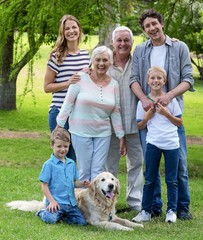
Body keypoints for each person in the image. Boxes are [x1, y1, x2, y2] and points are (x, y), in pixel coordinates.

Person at [129, 9, 195, 220]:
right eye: (147, 26)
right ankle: (153, 206)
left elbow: (188, 79)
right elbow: (133, 79)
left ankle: (181, 207)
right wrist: (144, 100)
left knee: (180, 165)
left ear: (162, 24)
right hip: (148, 115)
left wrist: (169, 96)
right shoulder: (140, 50)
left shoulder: (179, 47)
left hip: (170, 116)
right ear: (144, 30)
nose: (151, 28)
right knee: (152, 168)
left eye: (154, 24)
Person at [56, 46, 126, 182]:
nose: (101, 63)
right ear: (92, 61)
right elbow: (68, 103)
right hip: (80, 131)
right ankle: (82, 201)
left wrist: (120, 135)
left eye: (105, 60)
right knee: (83, 170)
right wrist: (59, 126)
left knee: (98, 170)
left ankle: (96, 203)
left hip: (103, 133)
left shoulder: (114, 85)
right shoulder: (80, 78)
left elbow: (116, 111)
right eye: (98, 60)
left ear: (110, 62)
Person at [132, 66, 182, 223]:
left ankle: (171, 211)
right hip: (153, 143)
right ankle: (146, 211)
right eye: (152, 78)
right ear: (148, 81)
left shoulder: (171, 101)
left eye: (159, 78)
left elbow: (179, 123)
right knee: (150, 179)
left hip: (171, 144)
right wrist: (147, 116)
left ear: (164, 81)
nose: (156, 81)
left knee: (171, 180)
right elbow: (140, 126)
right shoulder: (143, 103)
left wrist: (166, 113)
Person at [105, 26, 144, 212]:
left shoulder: (139, 62)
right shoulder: (105, 62)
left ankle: (135, 203)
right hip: (109, 125)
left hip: (134, 123)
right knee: (109, 166)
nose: (123, 44)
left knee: (136, 163)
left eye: (126, 40)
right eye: (119, 40)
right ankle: (107, 204)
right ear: (113, 42)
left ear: (132, 42)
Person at [44, 14, 90, 161]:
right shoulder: (57, 56)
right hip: (59, 112)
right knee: (63, 156)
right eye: (67, 29)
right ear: (62, 33)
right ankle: (57, 184)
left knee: (76, 157)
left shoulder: (86, 56)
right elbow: (47, 87)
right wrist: (68, 82)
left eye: (74, 27)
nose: (71, 31)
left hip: (80, 114)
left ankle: (72, 185)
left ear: (79, 30)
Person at [37, 128, 90, 225]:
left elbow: (73, 183)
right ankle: (42, 212)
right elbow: (44, 186)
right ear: (52, 145)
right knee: (50, 219)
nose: (63, 149)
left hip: (71, 204)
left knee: (81, 222)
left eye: (65, 146)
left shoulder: (71, 163)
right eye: (59, 146)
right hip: (56, 203)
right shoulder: (49, 165)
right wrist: (52, 201)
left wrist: (82, 183)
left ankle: (62, 216)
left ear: (69, 145)